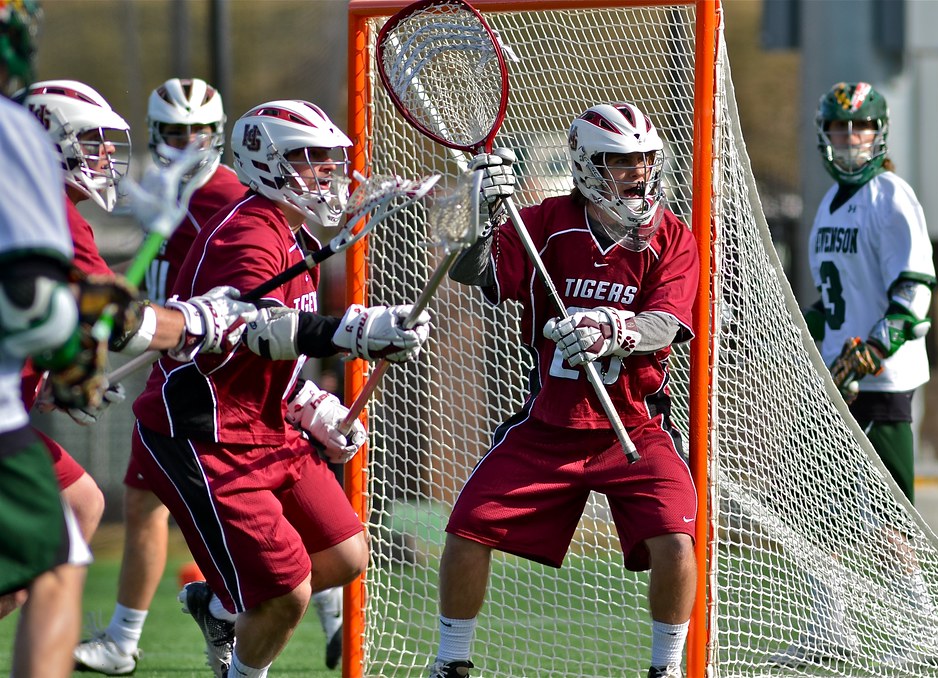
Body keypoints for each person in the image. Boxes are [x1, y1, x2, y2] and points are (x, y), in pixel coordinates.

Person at [129, 99, 433, 678]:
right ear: (264, 161)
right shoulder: (247, 233)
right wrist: (358, 331)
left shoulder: (294, 234)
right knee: (286, 593)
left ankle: (221, 611)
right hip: (206, 435)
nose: (327, 172)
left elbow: (272, 359)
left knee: (344, 555)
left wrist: (308, 402)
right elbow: (263, 332)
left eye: (329, 159)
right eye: (309, 159)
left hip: (262, 423)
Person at [0, 3, 255, 675]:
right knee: (58, 546)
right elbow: (113, 319)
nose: (106, 160)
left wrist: (47, 373)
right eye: (92, 144)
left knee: (77, 507)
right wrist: (201, 321)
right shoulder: (50, 209)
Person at [430, 102, 700, 678]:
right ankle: (450, 663)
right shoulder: (545, 222)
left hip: (634, 424)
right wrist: (478, 212)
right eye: (622, 162)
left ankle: (666, 670)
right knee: (466, 529)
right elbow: (472, 271)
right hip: (548, 424)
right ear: (585, 164)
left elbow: (668, 323)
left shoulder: (672, 236)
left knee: (677, 542)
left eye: (645, 160)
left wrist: (609, 330)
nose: (639, 173)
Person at [767, 81, 937, 668]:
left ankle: (926, 631)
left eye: (860, 127)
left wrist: (877, 348)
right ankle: (829, 629)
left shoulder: (891, 195)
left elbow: (912, 292)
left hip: (882, 382)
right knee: (804, 507)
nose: (849, 139)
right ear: (825, 136)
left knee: (890, 525)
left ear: (879, 132)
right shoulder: (829, 206)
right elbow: (835, 302)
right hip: (836, 381)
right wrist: (794, 326)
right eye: (840, 129)